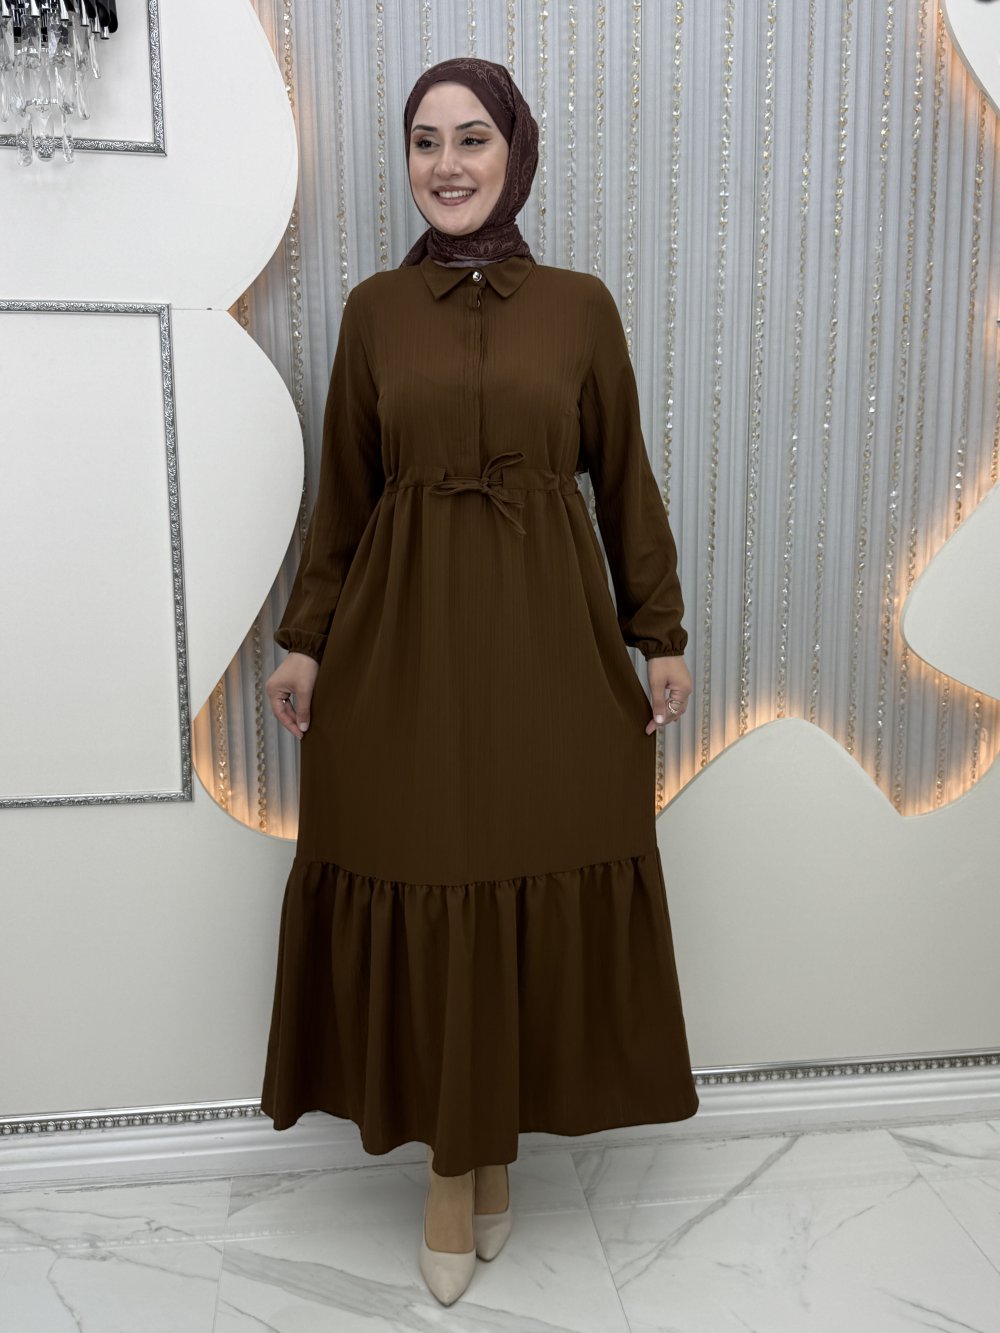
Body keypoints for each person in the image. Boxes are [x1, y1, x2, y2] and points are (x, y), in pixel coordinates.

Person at [260, 55, 698, 1308]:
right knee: (429, 865)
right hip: (400, 647)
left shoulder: (579, 308)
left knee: (524, 859)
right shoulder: (372, 314)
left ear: (515, 151)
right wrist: (305, 639)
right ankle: (456, 1170)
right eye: (423, 141)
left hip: (545, 643)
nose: (445, 164)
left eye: (470, 139)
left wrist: (659, 631)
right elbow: (342, 497)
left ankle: (489, 1144)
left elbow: (623, 479)